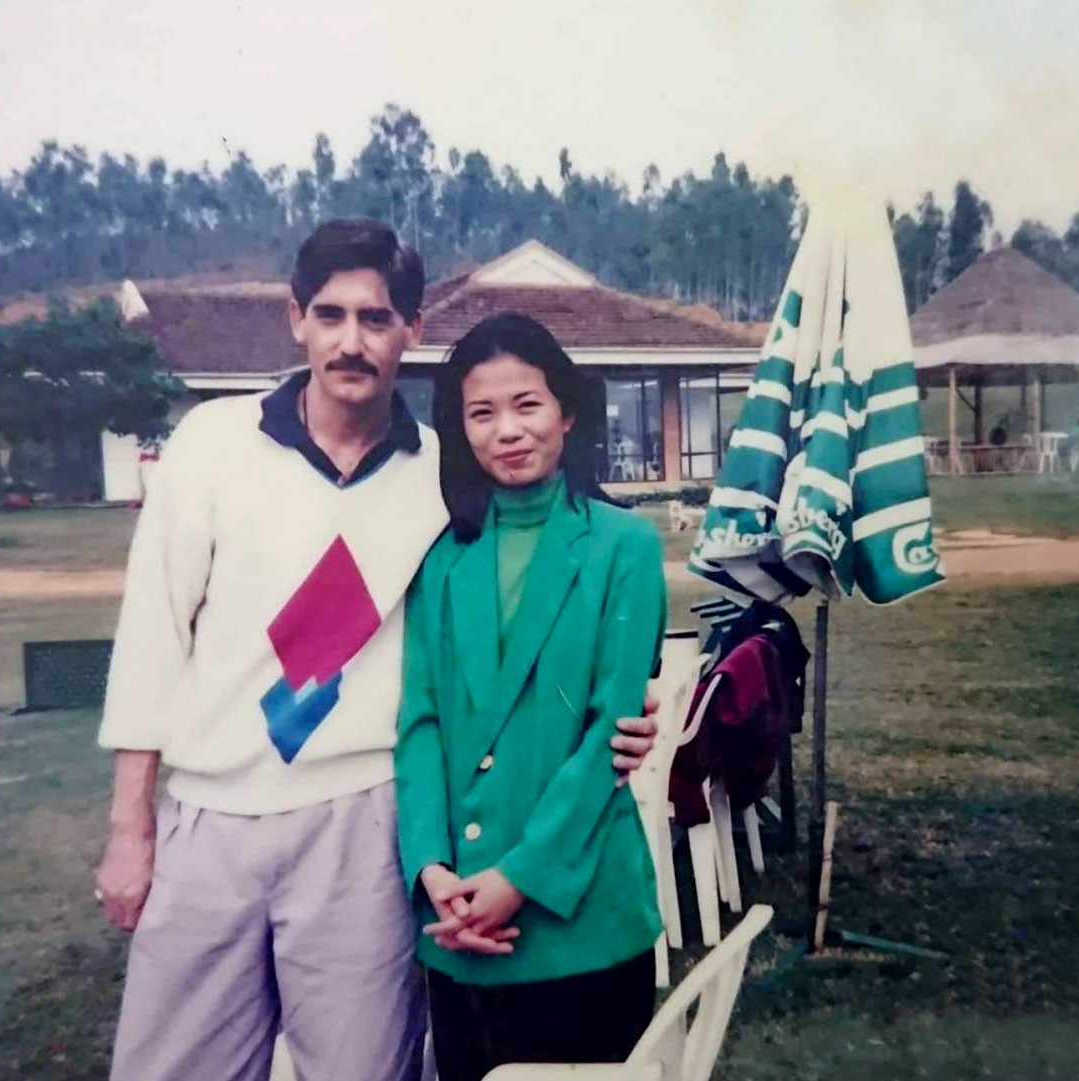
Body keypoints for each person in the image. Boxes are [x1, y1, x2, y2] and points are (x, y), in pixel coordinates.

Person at [94, 219, 659, 1081]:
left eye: (376, 318)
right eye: (330, 315)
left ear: (412, 330)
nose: (351, 341)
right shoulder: (211, 444)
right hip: (210, 817)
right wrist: (130, 828)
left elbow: (556, 570)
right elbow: (149, 642)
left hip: (360, 818)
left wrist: (629, 704)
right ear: (296, 320)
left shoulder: (443, 474)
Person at [396, 313, 666, 1081]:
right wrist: (430, 872)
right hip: (458, 924)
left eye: (528, 405)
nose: (508, 431)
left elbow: (608, 736)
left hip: (580, 917)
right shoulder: (442, 559)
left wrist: (518, 879)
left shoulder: (625, 546)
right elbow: (419, 725)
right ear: (460, 430)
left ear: (567, 413)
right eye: (482, 413)